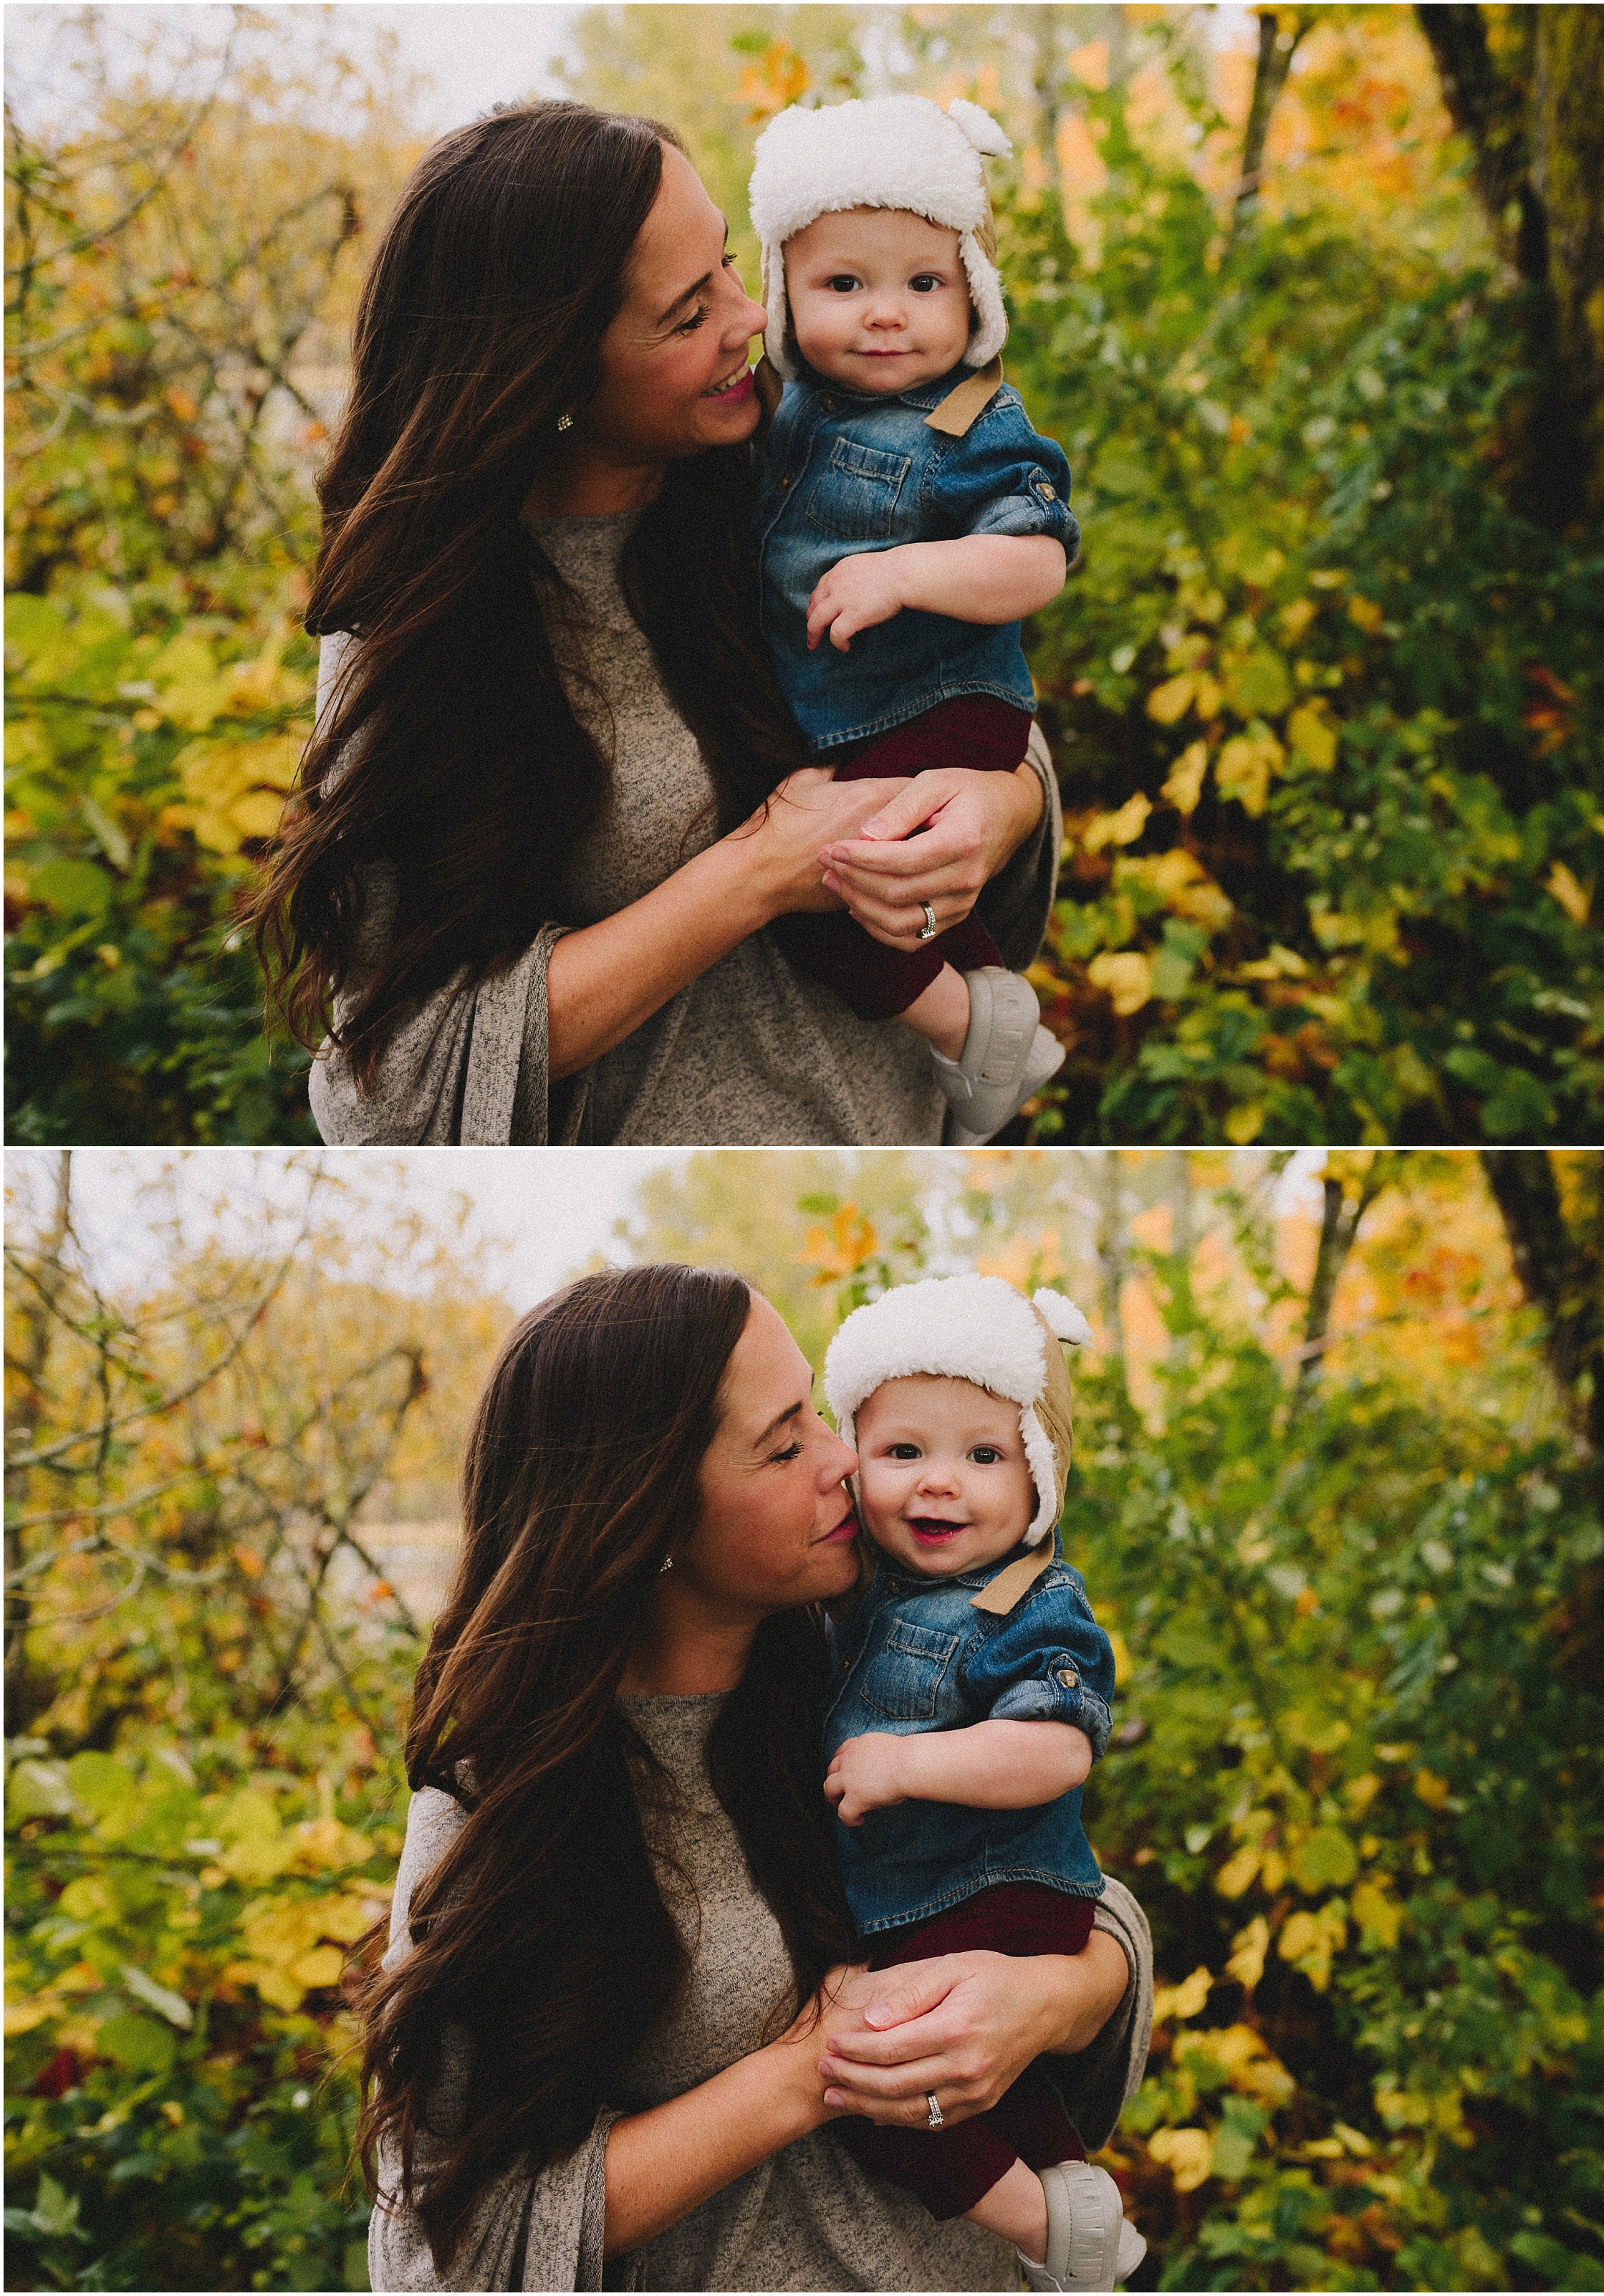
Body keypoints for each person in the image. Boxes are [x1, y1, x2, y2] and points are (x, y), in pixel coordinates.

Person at [246, 102, 1061, 1146]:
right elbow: (392, 1080)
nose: (751, 318)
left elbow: (972, 699)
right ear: (545, 376)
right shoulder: (420, 626)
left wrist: (1001, 807)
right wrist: (755, 873)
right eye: (687, 315)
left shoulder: (793, 472)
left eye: (729, 262)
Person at [360, 1262, 1153, 2291]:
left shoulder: (857, 1672)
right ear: (643, 1520)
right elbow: (439, 2245)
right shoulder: (502, 1803)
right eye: (785, 1444)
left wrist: (1062, 1987)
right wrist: (806, 2072)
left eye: (824, 1415)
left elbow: (1069, 1877)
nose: (847, 1461)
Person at [749, 96, 1077, 1145]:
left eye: (922, 284)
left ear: (972, 292)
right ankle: (990, 1021)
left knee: (836, 894)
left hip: (946, 707)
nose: (885, 313)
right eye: (844, 285)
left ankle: (987, 1034)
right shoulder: (783, 414)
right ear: (784, 295)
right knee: (882, 893)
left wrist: (913, 570)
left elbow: (1036, 561)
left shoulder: (973, 420)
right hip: (847, 720)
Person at [819, 1274, 1148, 2292]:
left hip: (997, 1891)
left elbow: (1057, 1750)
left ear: (1039, 1474)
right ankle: (1095, 2228)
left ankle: (1047, 2229)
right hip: (934, 1899)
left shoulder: (1029, 1603)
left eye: (983, 1454)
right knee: (992, 2096)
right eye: (903, 1451)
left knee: (881, 2086)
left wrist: (909, 1761)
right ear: (854, 1459)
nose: (938, 1483)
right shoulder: (861, 1596)